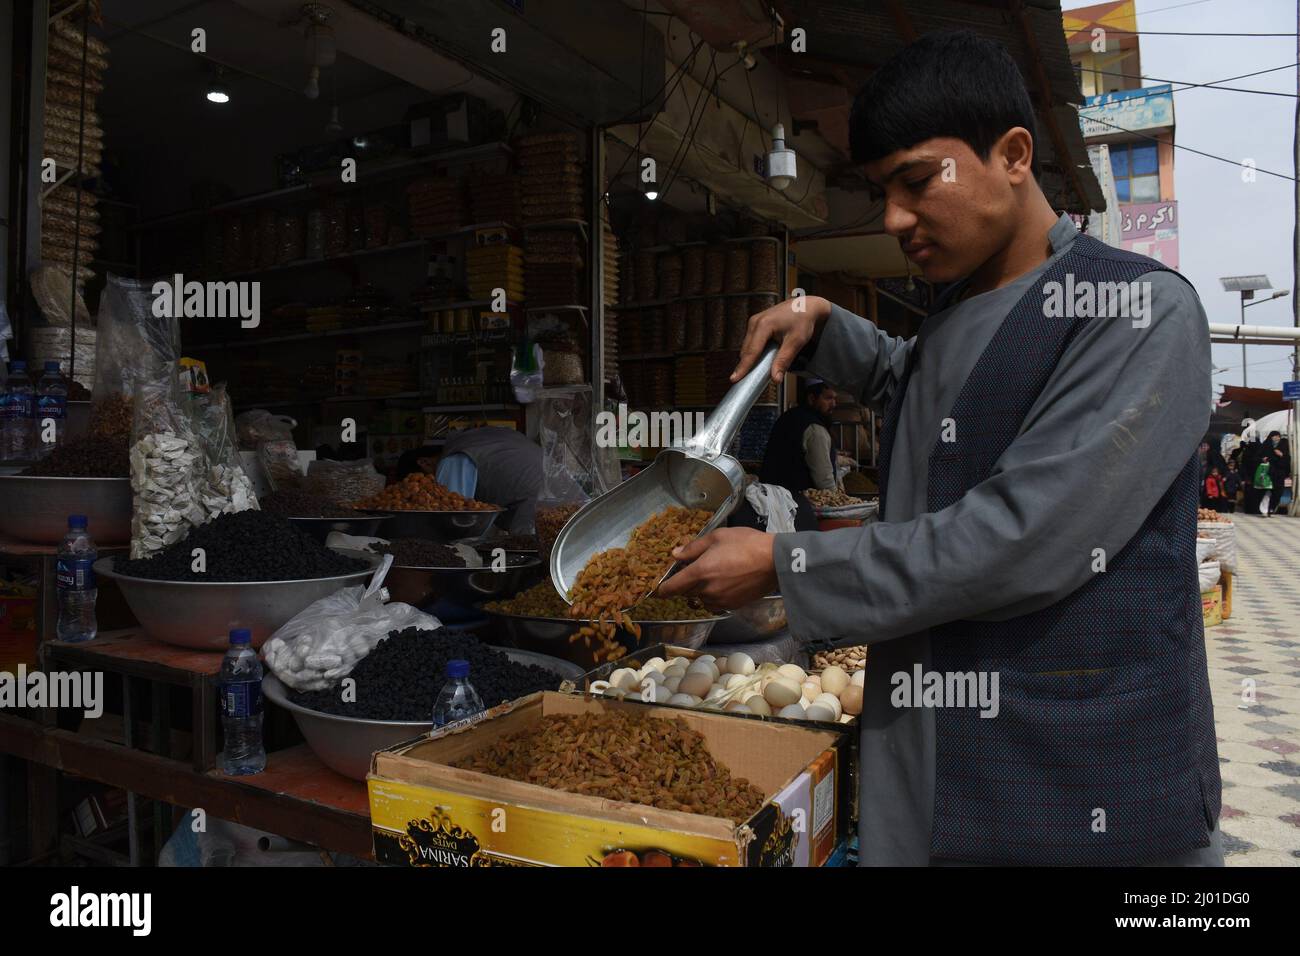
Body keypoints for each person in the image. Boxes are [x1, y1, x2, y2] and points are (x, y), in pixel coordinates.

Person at [659, 31, 1221, 867]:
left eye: (918, 182)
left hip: (1071, 780)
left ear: (1015, 155)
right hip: (928, 755)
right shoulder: (959, 312)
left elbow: (1020, 539)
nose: (893, 219)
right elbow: (929, 388)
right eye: (882, 191)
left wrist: (789, 563)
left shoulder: (1134, 314)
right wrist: (825, 328)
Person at [396, 426, 543, 534]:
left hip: (534, 502)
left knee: (530, 553)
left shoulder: (453, 459)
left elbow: (455, 518)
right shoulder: (477, 438)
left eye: (424, 486)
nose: (430, 493)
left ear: (424, 463)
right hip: (555, 487)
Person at [758, 380, 839, 494]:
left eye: (835, 399)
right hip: (799, 502)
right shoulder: (814, 428)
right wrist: (836, 498)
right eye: (828, 398)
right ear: (812, 399)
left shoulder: (788, 416)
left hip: (773, 496)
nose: (833, 404)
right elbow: (824, 479)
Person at [1265, 431, 1291, 515]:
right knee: (1271, 492)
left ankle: (1271, 508)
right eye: (1275, 436)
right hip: (1270, 474)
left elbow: (1287, 464)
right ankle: (1268, 508)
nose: (1276, 438)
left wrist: (1282, 455)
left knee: (1278, 492)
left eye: (1278, 437)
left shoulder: (1285, 454)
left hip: (1280, 475)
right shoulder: (1270, 448)